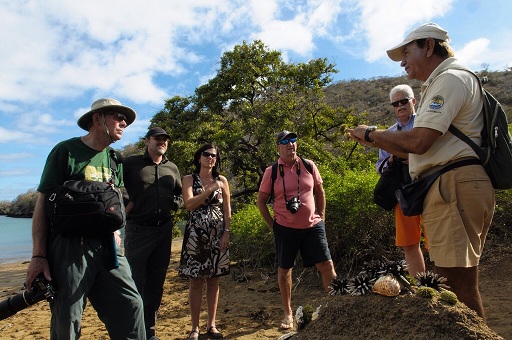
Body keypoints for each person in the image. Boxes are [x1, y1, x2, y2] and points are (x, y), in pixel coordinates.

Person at [347, 23, 495, 319]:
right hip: (448, 185)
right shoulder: (445, 82)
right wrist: (376, 141)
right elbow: (418, 149)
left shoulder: (449, 80)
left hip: (453, 185)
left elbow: (418, 140)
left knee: (456, 286)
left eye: (407, 52)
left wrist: (372, 134)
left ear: (429, 46)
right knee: (452, 281)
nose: (402, 61)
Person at [25, 98, 146, 339]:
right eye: (117, 117)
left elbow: (115, 202)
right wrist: (39, 256)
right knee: (68, 319)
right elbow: (42, 204)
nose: (124, 123)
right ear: (97, 119)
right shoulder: (66, 151)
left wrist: (116, 232)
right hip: (70, 247)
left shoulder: (115, 159)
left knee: (132, 306)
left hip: (109, 248)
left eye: (126, 120)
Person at [256, 131, 337, 330]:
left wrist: (321, 217)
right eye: (285, 142)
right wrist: (272, 225)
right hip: (285, 229)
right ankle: (288, 314)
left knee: (327, 265)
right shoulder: (272, 171)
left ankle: (336, 307)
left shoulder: (309, 165)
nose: (290, 144)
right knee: (285, 270)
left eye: (293, 141)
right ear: (278, 147)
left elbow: (320, 192)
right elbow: (261, 201)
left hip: (313, 226)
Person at [123, 126, 183, 340]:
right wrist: (124, 205)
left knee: (156, 283)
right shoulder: (130, 164)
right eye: (157, 138)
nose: (162, 142)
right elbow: (112, 184)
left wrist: (175, 204)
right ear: (147, 141)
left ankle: (149, 330)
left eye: (165, 139)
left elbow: (180, 193)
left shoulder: (172, 168)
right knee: (134, 282)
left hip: (164, 231)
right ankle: (133, 329)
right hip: (138, 231)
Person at [178, 143, 231, 340]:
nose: (210, 158)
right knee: (196, 281)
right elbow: (189, 204)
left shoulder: (222, 180)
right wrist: (209, 190)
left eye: (214, 156)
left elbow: (227, 208)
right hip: (196, 236)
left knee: (214, 280)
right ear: (198, 157)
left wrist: (227, 232)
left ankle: (212, 325)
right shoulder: (188, 179)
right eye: (206, 154)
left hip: (217, 235)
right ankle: (195, 328)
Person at [376, 84, 426, 277]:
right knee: (409, 243)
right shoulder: (386, 134)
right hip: (402, 193)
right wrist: (391, 160)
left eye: (404, 101)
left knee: (437, 242)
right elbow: (379, 167)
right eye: (396, 103)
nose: (400, 106)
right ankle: (422, 289)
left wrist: (413, 157)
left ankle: (445, 290)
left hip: (429, 185)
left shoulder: (425, 124)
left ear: (413, 101)